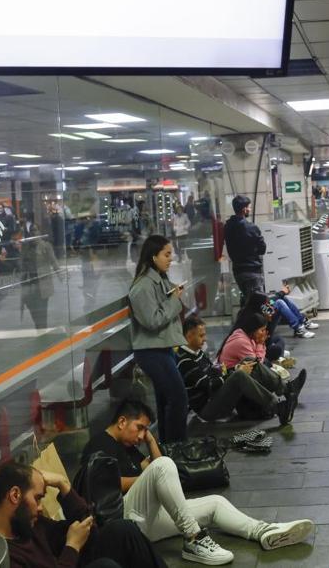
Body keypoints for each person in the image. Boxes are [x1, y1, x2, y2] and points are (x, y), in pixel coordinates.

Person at [79, 399, 314, 564]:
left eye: (145, 430)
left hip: (145, 520)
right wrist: (148, 478)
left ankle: (262, 531)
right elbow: (111, 486)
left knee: (214, 503)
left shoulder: (128, 446)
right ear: (121, 422)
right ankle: (193, 538)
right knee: (163, 467)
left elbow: (156, 467)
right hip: (123, 524)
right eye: (139, 428)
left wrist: (150, 441)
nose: (141, 435)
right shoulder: (99, 445)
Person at [0, 459, 164, 568]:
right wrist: (72, 548)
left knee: (122, 530)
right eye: (38, 498)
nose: (41, 507)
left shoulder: (27, 522)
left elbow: (89, 529)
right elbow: (73, 544)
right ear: (15, 495)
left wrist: (63, 486)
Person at [176, 316, 301, 426]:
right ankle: (278, 408)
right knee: (240, 375)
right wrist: (235, 372)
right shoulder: (185, 360)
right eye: (201, 335)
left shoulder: (197, 352)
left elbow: (214, 374)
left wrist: (235, 368)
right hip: (207, 409)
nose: (205, 339)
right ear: (189, 336)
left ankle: (287, 390)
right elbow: (208, 385)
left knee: (249, 361)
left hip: (215, 396)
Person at [128, 235, 189, 443]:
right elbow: (152, 321)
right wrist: (173, 300)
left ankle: (168, 448)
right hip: (150, 350)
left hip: (163, 347)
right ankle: (176, 447)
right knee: (178, 399)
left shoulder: (159, 279)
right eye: (166, 254)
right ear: (153, 256)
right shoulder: (143, 286)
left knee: (167, 401)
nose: (170, 259)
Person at [223, 195, 267, 302]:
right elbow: (263, 249)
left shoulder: (227, 227)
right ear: (244, 209)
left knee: (248, 301)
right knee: (258, 304)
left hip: (238, 271)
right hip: (252, 271)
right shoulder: (251, 227)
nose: (250, 209)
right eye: (249, 207)